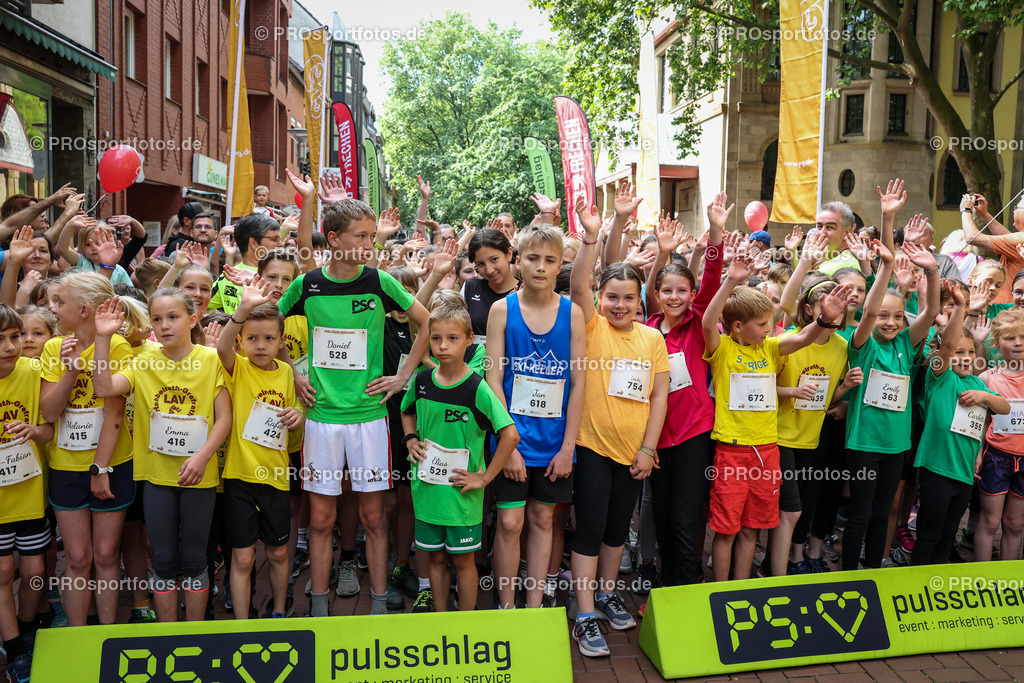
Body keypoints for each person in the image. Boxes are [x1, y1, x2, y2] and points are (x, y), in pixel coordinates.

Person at [280, 175, 431, 618]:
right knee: (322, 520)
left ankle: (379, 606)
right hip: (322, 418)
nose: (370, 244)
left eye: (371, 236)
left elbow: (426, 322)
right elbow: (261, 329)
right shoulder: (308, 285)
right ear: (333, 239)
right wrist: (292, 372)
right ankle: (320, 609)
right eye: (361, 236)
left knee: (373, 517)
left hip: (368, 417)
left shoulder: (379, 281)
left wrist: (402, 376)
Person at [702, 252, 851, 582]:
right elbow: (707, 320)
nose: (769, 329)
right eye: (762, 325)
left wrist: (825, 320)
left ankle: (741, 590)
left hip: (768, 451)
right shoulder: (723, 349)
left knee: (752, 529)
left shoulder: (770, 347)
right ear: (738, 326)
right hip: (732, 451)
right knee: (726, 530)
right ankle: (719, 591)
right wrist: (731, 280)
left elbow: (801, 338)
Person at [568, 195, 669, 658]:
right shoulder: (590, 325)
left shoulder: (652, 338)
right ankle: (585, 609)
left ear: (640, 301)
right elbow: (578, 284)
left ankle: (607, 593)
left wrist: (648, 450)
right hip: (591, 447)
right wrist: (599, 231)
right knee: (589, 530)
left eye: (629, 298)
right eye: (613, 297)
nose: (620, 304)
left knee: (616, 530)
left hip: (633, 453)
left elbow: (659, 395)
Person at [93, 289, 231, 622]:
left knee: (197, 559)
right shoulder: (142, 361)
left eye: (173, 317)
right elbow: (103, 388)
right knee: (165, 559)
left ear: (193, 319)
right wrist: (101, 338)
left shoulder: (211, 359)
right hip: (155, 476)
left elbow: (225, 418)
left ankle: (194, 633)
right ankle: (168, 636)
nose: (165, 325)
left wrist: (202, 457)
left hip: (199, 474)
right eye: (157, 319)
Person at [486, 224, 586, 610]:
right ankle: (506, 604)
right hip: (512, 440)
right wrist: (508, 445)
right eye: (532, 258)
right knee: (511, 523)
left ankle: (534, 605)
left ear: (560, 264)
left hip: (555, 443)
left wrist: (568, 448)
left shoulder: (572, 313)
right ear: (518, 260)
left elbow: (578, 383)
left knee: (543, 521)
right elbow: (492, 379)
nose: (540, 267)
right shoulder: (502, 310)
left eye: (549, 260)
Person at [401, 304, 519, 611]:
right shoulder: (423, 380)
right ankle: (443, 618)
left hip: (461, 497)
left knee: (464, 560)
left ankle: (464, 623)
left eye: (452, 338)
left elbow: (510, 435)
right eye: (436, 338)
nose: (442, 346)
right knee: (435, 558)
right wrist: (411, 438)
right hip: (427, 492)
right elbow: (406, 410)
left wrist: (484, 477)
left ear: (469, 340)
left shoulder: (476, 387)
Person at [39, 272, 137, 626]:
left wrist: (100, 469)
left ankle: (105, 638)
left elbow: (113, 413)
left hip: (111, 464)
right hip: (66, 465)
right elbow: (49, 412)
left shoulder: (119, 346)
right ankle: (77, 638)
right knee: (78, 558)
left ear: (83, 310)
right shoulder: (54, 347)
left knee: (107, 554)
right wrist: (68, 371)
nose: (52, 308)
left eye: (59, 302)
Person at [643, 194, 728, 588]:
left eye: (682, 291)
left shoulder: (697, 325)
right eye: (667, 291)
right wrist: (663, 254)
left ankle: (686, 581)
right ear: (657, 295)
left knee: (686, 515)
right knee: (661, 514)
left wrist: (715, 232)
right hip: (656, 438)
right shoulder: (646, 331)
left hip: (694, 433)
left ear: (692, 295)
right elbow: (643, 290)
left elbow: (712, 280)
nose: (675, 297)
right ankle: (665, 579)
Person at [842, 239, 939, 569]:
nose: (891, 322)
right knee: (861, 514)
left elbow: (931, 314)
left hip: (896, 446)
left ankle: (873, 569)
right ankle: (849, 575)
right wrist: (884, 267)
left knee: (883, 513)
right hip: (864, 444)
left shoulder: (905, 343)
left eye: (898, 317)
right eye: (884, 316)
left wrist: (932, 270)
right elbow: (868, 311)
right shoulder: (863, 345)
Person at [217, 277, 303, 619]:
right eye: (252, 339)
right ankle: (241, 622)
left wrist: (299, 416)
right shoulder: (236, 367)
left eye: (269, 338)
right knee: (242, 557)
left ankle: (280, 610)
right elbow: (221, 348)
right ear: (241, 341)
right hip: (239, 477)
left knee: (279, 553)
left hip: (277, 478)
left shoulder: (287, 374)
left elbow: (296, 426)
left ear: (281, 340)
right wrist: (241, 309)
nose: (260, 345)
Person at [913, 283, 1008, 565]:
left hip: (965, 475)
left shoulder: (977, 383)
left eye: (969, 353)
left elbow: (1002, 406)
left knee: (947, 536)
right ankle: (914, 587)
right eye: (958, 353)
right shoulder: (940, 377)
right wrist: (960, 308)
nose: (964, 357)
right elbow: (949, 344)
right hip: (937, 470)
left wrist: (983, 395)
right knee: (929, 535)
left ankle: (937, 585)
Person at [0, 305, 53, 683]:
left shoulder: (34, 372)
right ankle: (16, 649)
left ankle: (25, 624)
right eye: (0, 340)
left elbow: (49, 429)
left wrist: (35, 431)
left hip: (30, 493)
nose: (10, 347)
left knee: (34, 571)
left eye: (15, 337)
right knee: (3, 571)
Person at [976, 308, 1024, 562]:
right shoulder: (986, 378)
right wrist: (977, 455)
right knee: (991, 522)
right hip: (996, 457)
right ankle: (981, 581)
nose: (1018, 343)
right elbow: (980, 422)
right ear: (996, 342)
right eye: (1010, 338)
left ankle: (1009, 583)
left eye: (1023, 337)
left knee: (1015, 524)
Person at [208, 213, 281, 315]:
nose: (281, 243)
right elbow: (200, 304)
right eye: (275, 239)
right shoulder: (228, 276)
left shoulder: (228, 276)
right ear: (254, 243)